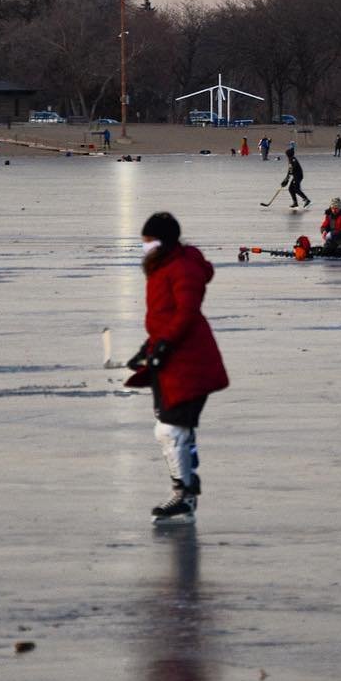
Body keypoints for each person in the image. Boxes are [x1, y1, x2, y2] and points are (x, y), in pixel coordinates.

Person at [124, 212, 229, 525]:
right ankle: (185, 488)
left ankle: (184, 494)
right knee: (170, 429)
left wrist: (164, 346)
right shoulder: (162, 267)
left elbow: (185, 313)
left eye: (147, 241)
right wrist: (148, 349)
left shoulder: (181, 268)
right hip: (171, 359)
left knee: (171, 429)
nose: (144, 247)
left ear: (163, 241)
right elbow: (164, 317)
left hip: (189, 361)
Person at [282, 144, 309, 209]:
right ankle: (295, 203)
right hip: (296, 176)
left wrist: (286, 180)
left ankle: (307, 200)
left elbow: (291, 170)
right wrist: (286, 180)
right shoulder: (291, 159)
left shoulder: (292, 160)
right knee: (291, 189)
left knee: (296, 189)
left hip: (298, 176)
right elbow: (290, 171)